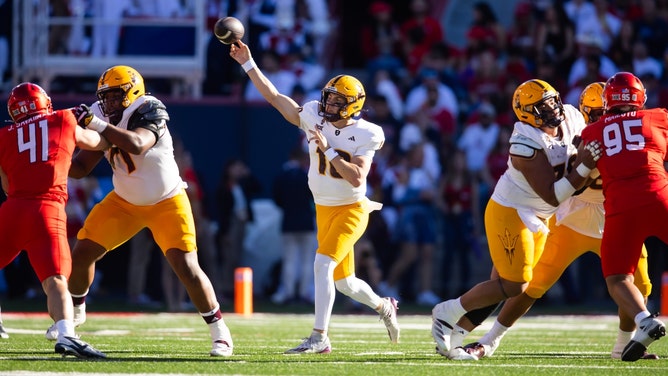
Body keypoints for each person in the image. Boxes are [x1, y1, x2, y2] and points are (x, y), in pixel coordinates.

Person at [447, 82, 657, 361]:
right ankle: (490, 340)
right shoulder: (580, 131)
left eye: (602, 112)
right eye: (593, 114)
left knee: (639, 287)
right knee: (530, 285)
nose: (599, 120)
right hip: (570, 218)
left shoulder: (618, 134)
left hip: (613, 219)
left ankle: (623, 346)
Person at [229, 40, 400, 354]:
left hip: (351, 208)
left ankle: (320, 338)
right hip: (322, 207)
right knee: (344, 283)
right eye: (328, 98)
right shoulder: (313, 114)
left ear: (352, 105)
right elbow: (275, 97)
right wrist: (248, 64)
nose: (328, 105)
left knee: (321, 265)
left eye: (337, 101)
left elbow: (357, 176)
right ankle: (384, 306)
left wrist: (328, 149)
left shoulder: (368, 133)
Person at [56, 65, 234, 357]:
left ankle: (219, 331)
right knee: (83, 251)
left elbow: (137, 144)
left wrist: (95, 124)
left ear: (133, 92)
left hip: (166, 200)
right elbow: (80, 168)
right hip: (124, 201)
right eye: (106, 97)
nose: (109, 103)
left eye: (116, 96)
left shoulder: (150, 108)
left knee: (186, 266)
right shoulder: (99, 116)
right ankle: (76, 312)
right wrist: (56, 152)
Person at [430, 79, 598, 356]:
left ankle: (457, 334)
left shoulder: (572, 116)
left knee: (503, 285)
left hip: (540, 217)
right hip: (512, 211)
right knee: (515, 284)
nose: (553, 109)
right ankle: (446, 311)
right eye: (543, 107)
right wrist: (585, 165)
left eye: (553, 101)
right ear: (527, 113)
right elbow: (553, 195)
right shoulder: (524, 143)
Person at [0, 82, 108, 358]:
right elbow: (99, 142)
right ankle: (67, 334)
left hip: (13, 209)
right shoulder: (64, 118)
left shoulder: (3, 136)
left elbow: (6, 185)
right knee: (56, 281)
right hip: (47, 209)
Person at [580, 72, 668, 361]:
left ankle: (644, 320)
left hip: (621, 207)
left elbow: (580, 174)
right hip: (659, 195)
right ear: (638, 97)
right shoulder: (657, 117)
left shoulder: (591, 132)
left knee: (618, 278)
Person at [271, 146, 316, 305]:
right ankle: (304, 293)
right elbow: (314, 198)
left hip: (288, 223)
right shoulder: (306, 176)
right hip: (306, 223)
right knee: (307, 259)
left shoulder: (281, 176)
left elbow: (277, 199)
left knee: (289, 259)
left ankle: (289, 293)